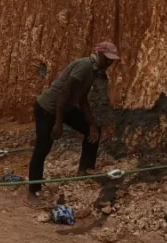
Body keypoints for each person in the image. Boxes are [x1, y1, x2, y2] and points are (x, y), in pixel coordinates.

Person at [27, 42, 120, 207]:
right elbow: (64, 92)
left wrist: (91, 123)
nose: (109, 63)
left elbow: (82, 98)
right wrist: (58, 123)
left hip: (64, 107)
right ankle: (33, 191)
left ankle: (85, 170)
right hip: (48, 109)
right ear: (99, 55)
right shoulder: (84, 66)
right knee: (42, 148)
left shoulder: (94, 71)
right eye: (107, 59)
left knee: (93, 131)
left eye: (111, 61)